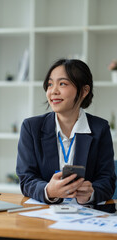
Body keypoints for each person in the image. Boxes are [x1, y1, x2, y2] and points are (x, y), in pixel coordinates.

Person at [16, 58, 116, 204]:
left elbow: (107, 181)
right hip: (44, 216)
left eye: (62, 84)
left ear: (84, 91)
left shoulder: (100, 129)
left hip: (84, 216)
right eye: (50, 84)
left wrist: (91, 193)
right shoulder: (31, 128)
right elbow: (26, 179)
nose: (53, 91)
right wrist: (49, 191)